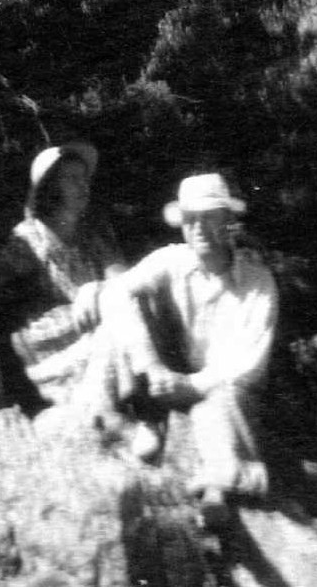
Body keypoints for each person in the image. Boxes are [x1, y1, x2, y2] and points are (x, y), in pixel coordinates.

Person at [115, 170, 277, 501]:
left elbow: (246, 367)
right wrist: (151, 366)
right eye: (190, 219)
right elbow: (117, 293)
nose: (198, 227)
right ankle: (137, 421)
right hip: (167, 378)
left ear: (229, 222)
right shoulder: (171, 260)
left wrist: (191, 386)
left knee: (219, 405)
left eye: (209, 217)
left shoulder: (258, 283)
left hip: (223, 390)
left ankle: (225, 487)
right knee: (124, 316)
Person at [0, 140, 125, 405]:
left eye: (84, 178)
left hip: (93, 318)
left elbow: (123, 280)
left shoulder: (93, 233)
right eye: (71, 179)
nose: (83, 186)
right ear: (50, 187)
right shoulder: (29, 237)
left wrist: (99, 290)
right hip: (49, 339)